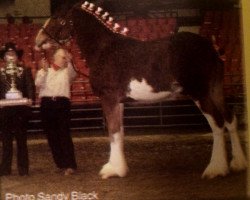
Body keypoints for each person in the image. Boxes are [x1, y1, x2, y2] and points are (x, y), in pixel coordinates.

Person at [35, 48, 77, 175]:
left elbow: (73, 74)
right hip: (47, 104)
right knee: (51, 136)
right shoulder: (43, 71)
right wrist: (44, 71)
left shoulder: (67, 71)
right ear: (55, 58)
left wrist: (70, 62)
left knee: (64, 134)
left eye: (65, 57)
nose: (64, 60)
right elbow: (37, 83)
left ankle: (70, 165)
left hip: (62, 103)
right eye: (62, 57)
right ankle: (60, 164)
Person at [0, 42, 36, 176]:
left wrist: (30, 100)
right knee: (6, 141)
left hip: (21, 110)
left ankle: (23, 169)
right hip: (4, 110)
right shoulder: (0, 72)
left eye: (13, 54)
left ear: (17, 57)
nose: (11, 56)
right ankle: (5, 169)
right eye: (8, 54)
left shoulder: (24, 70)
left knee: (22, 140)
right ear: (4, 57)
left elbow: (30, 86)